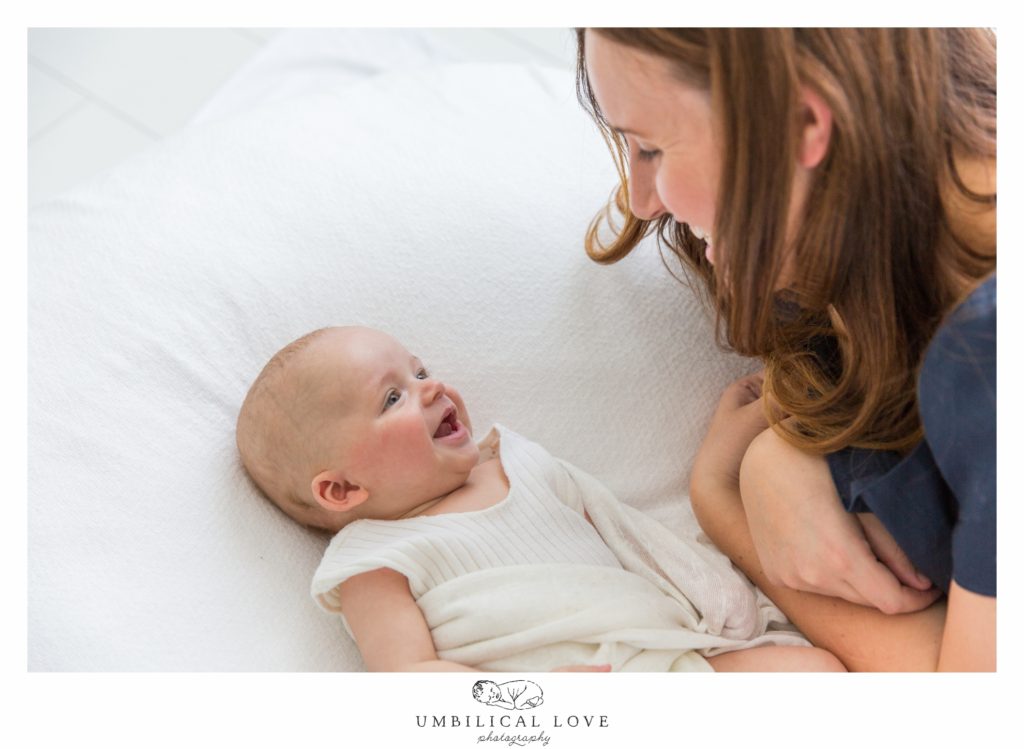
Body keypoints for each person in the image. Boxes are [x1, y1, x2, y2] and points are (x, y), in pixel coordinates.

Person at [575, 28, 995, 671]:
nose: (642, 200)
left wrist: (723, 504)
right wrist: (776, 454)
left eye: (653, 147)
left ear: (800, 121)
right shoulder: (869, 275)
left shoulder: (986, 355)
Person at [235, 325, 845, 672]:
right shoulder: (376, 557)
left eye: (419, 372)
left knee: (814, 675)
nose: (430, 388)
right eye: (391, 397)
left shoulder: (520, 463)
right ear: (341, 489)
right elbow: (412, 685)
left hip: (669, 658)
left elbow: (626, 533)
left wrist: (720, 599)